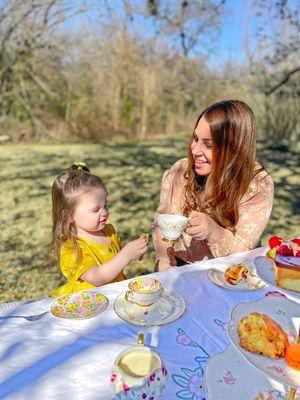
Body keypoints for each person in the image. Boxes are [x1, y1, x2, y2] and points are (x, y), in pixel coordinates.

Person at [153, 100, 274, 271]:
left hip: (227, 277)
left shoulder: (256, 184)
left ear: (234, 148)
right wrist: (166, 267)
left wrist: (213, 232)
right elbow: (160, 225)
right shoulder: (180, 172)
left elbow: (245, 253)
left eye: (208, 145)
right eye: (195, 139)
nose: (195, 151)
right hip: (178, 273)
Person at [51, 163, 147, 296]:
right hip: (88, 303)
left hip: (114, 294)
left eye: (105, 205)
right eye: (96, 209)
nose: (105, 212)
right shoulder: (71, 247)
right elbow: (97, 277)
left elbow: (114, 260)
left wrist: (134, 251)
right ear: (68, 215)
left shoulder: (108, 231)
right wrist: (126, 255)